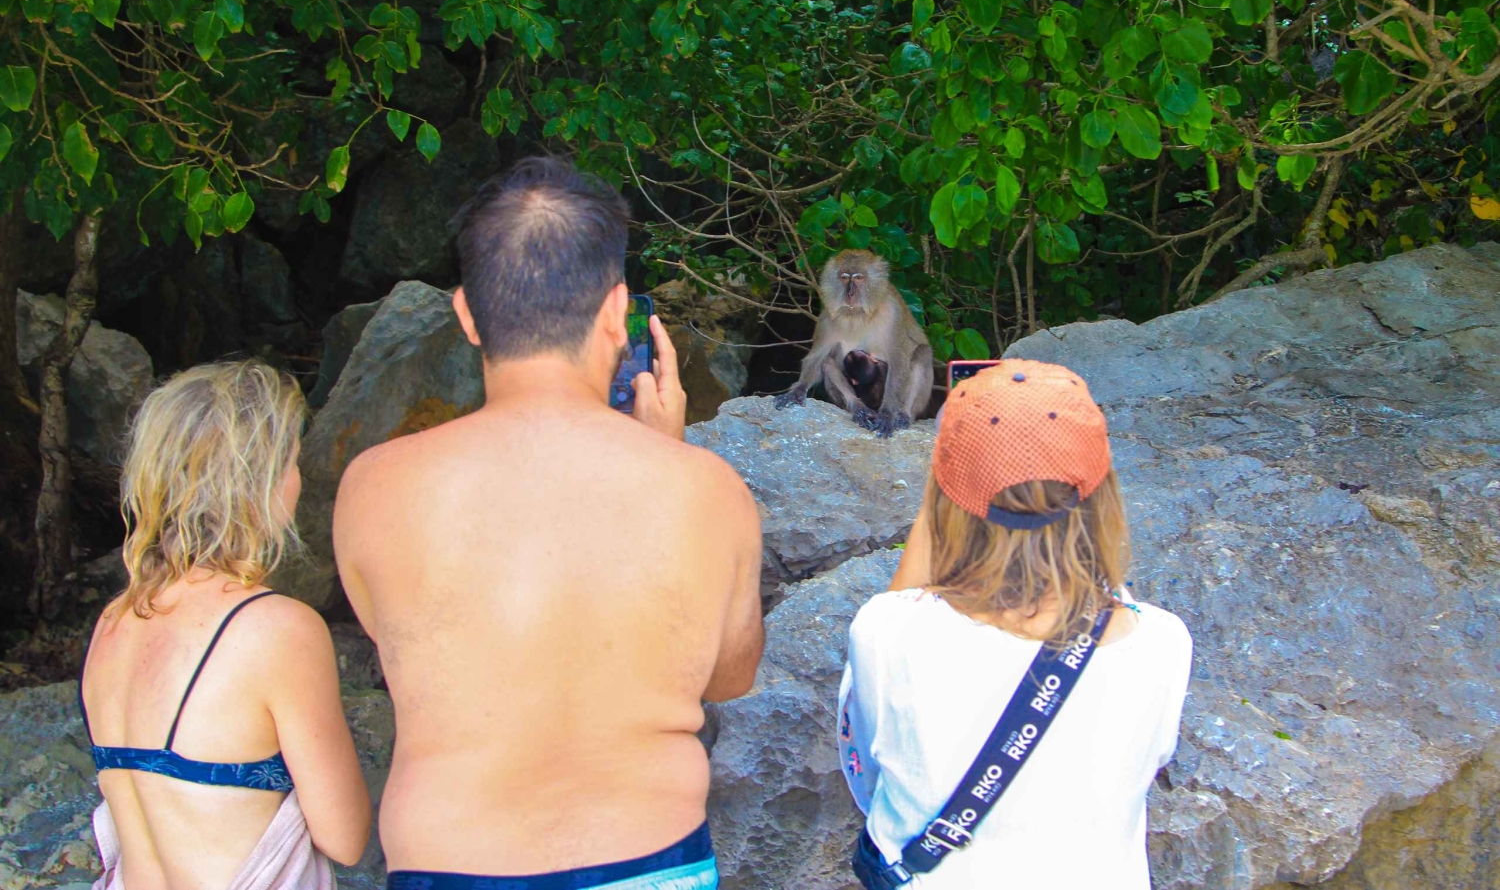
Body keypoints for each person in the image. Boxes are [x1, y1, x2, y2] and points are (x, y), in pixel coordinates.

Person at [333, 157, 764, 889]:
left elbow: (409, 642)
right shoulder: (706, 490)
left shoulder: (373, 487)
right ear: (617, 311)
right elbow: (727, 676)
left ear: (467, 314)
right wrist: (664, 457)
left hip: (451, 866)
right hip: (651, 865)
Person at [838, 359, 1192, 888]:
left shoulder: (886, 634)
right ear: (1102, 498)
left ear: (945, 502)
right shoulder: (1163, 644)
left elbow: (866, 775)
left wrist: (940, 493)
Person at [79, 360, 370, 889]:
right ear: (260, 482)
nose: (298, 481)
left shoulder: (114, 621)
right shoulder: (276, 629)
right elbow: (345, 837)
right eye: (293, 462)